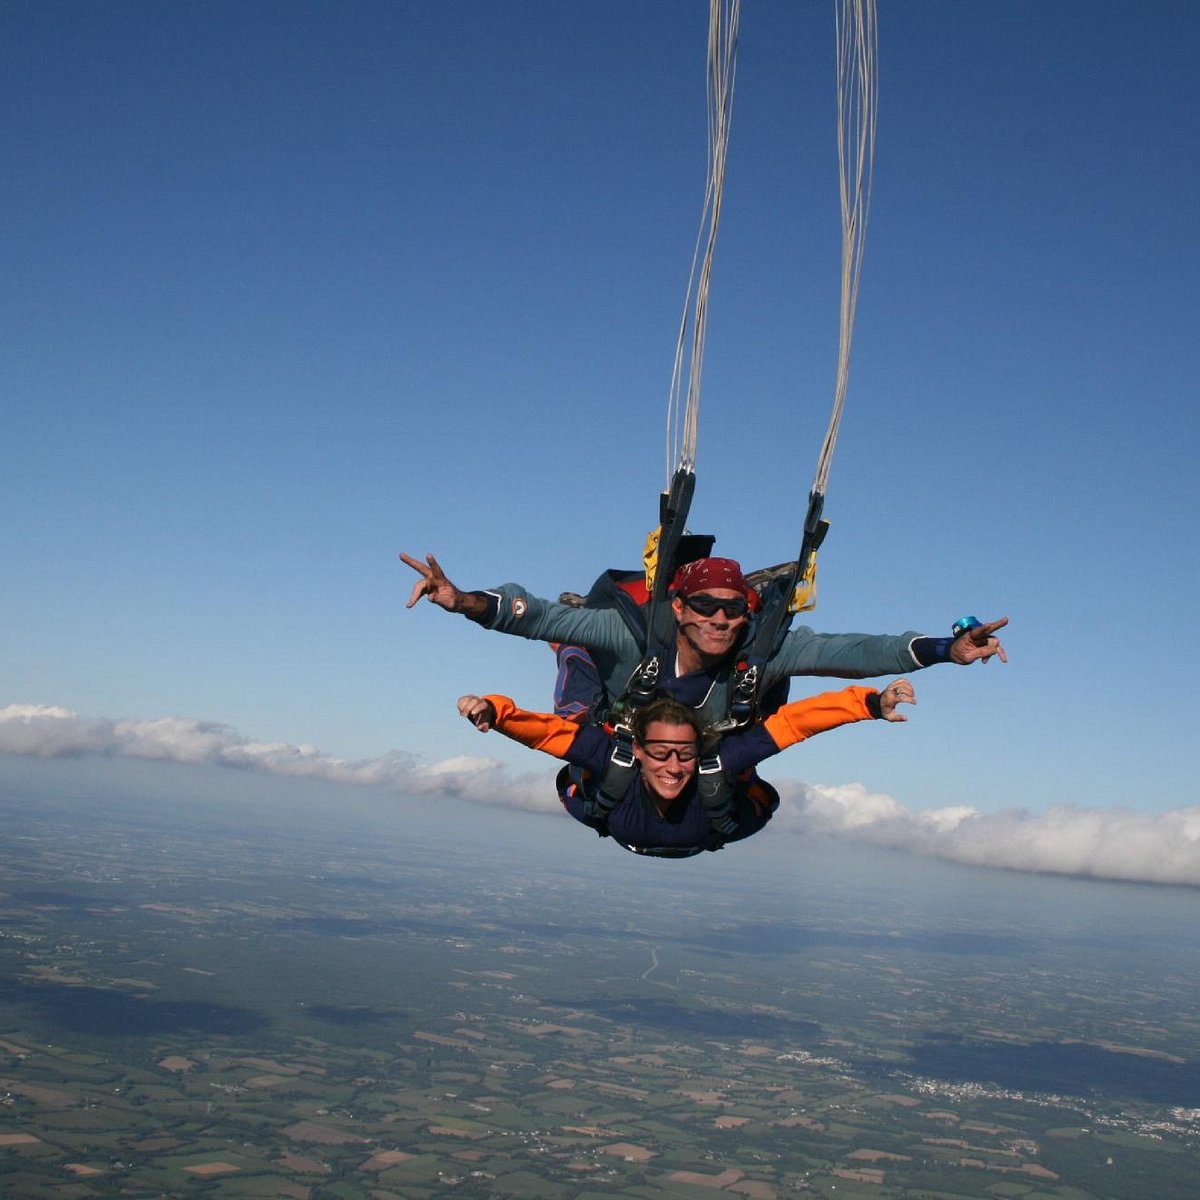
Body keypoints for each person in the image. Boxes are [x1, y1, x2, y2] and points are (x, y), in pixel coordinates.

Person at [402, 551, 1006, 727]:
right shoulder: (631, 633)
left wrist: (943, 650)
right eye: (706, 608)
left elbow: (850, 652)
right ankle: (580, 664)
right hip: (620, 705)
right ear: (679, 608)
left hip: (713, 728)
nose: (721, 620)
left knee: (770, 676)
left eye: (735, 609)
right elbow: (535, 616)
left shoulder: (757, 650)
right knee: (575, 647)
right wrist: (462, 602)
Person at [457, 679, 914, 857]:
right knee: (577, 717)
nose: (674, 768)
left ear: (699, 753)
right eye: (660, 753)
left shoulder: (714, 768)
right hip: (668, 820)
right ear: (637, 750)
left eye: (684, 754)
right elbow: (548, 734)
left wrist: (870, 703)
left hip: (696, 820)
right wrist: (494, 713)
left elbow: (793, 726)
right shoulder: (614, 763)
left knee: (750, 740)